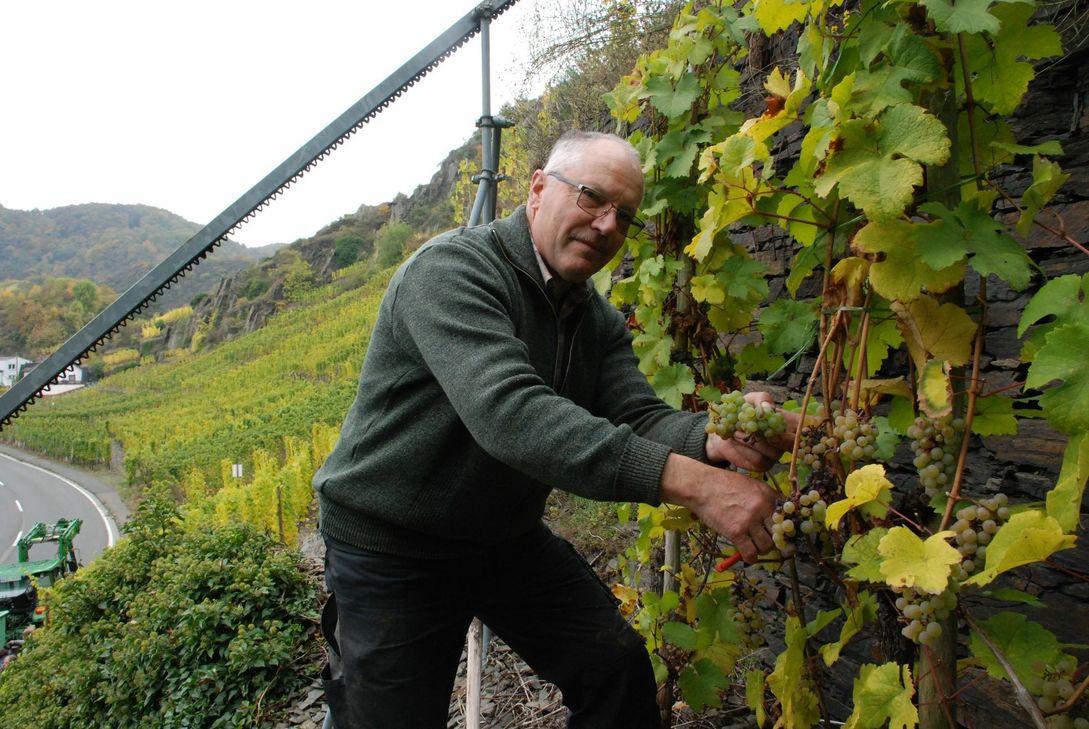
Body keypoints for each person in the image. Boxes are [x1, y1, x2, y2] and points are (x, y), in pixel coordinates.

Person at [314, 130, 797, 729]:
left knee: (616, 671)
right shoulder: (452, 272)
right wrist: (698, 486)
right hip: (393, 545)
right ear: (539, 188)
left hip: (501, 539)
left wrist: (712, 440)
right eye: (592, 198)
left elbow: (638, 416)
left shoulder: (592, 316)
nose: (606, 226)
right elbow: (511, 415)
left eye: (623, 216)